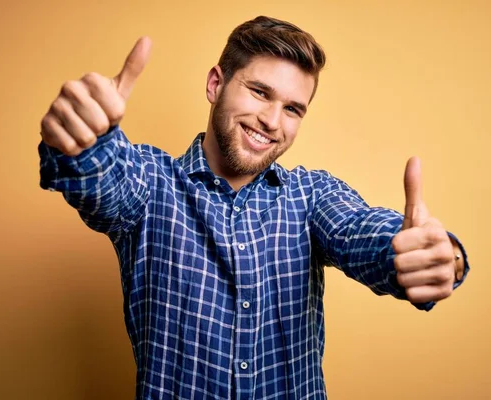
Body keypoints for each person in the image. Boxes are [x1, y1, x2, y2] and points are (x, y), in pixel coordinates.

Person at [38, 15, 469, 400]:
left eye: (293, 109)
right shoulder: (150, 182)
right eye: (260, 92)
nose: (272, 121)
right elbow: (101, 179)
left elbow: (363, 232)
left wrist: (435, 256)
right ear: (215, 84)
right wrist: (82, 140)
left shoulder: (312, 195)